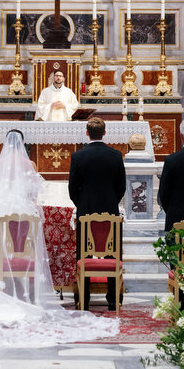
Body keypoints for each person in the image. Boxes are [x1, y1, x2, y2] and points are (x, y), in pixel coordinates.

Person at [0, 129, 118, 350]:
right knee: (25, 250)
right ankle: (28, 297)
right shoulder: (31, 165)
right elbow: (34, 195)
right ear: (23, 144)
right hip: (24, 215)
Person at [68, 117, 126, 310]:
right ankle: (112, 298)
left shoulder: (78, 156)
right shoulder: (116, 155)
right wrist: (112, 202)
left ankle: (84, 297)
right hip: (110, 208)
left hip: (85, 210)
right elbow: (121, 186)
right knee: (111, 251)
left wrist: (82, 203)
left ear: (87, 133)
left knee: (84, 253)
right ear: (105, 133)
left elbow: (72, 188)